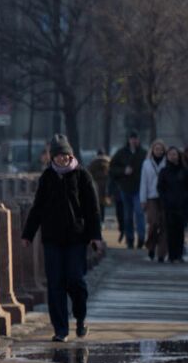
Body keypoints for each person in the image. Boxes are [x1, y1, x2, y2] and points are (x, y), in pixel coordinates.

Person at [21, 135, 104, 342]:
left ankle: (80, 316)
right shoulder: (47, 177)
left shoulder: (82, 176)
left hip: (76, 238)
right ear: (52, 158)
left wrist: (95, 236)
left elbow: (92, 209)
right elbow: (37, 207)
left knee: (75, 280)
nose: (62, 159)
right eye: (57, 156)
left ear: (71, 155)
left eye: (65, 156)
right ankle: (60, 329)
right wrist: (28, 234)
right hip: (52, 239)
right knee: (55, 283)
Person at [110, 132, 148, 249]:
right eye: (132, 139)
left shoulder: (143, 153)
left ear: (138, 140)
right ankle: (130, 239)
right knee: (127, 216)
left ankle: (141, 238)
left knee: (139, 213)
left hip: (139, 188)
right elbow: (112, 168)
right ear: (129, 140)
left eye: (136, 139)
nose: (134, 141)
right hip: (125, 188)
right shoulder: (121, 153)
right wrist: (123, 171)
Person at [157, 146, 188, 262]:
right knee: (170, 231)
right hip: (169, 206)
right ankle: (172, 255)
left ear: (178, 156)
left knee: (180, 231)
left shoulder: (184, 171)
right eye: (170, 154)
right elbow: (160, 188)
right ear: (167, 157)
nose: (173, 156)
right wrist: (165, 200)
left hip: (182, 205)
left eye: (174, 154)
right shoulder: (164, 172)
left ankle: (179, 254)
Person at [140, 140, 170, 261]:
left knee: (164, 225)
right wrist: (143, 199)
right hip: (151, 197)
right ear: (152, 150)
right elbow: (143, 182)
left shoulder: (167, 163)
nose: (159, 151)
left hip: (164, 197)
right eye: (156, 149)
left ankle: (162, 253)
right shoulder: (146, 164)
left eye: (161, 149)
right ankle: (151, 246)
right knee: (153, 223)